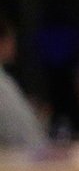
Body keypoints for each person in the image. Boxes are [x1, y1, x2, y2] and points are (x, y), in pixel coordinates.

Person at [0, 16, 46, 149]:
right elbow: (26, 138)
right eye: (12, 38)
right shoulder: (2, 87)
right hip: (18, 165)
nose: (14, 44)